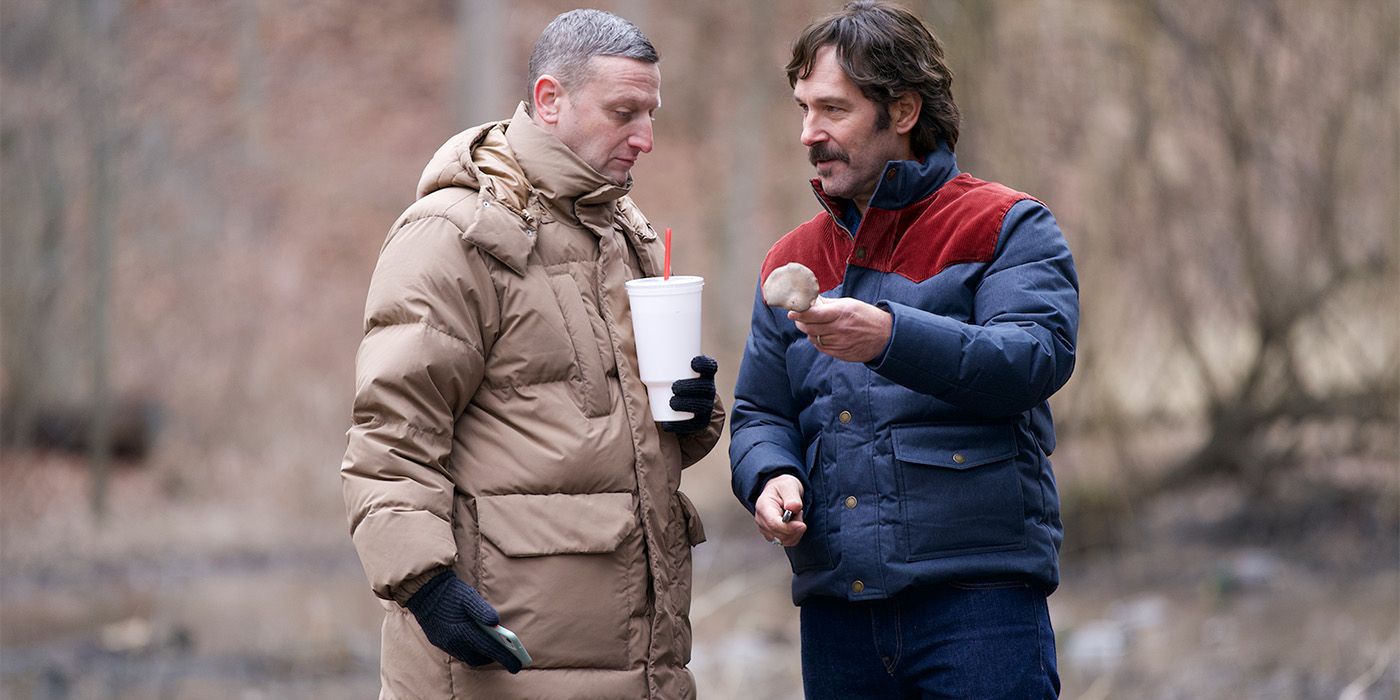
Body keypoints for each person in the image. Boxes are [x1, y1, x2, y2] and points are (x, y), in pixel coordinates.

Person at [341, 9, 723, 699]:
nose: (646, 137)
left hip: (638, 663)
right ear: (550, 100)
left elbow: (604, 443)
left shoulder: (621, 233)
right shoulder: (453, 236)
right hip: (500, 662)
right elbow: (389, 439)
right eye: (624, 112)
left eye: (652, 113)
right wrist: (426, 588)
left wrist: (687, 414)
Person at [730, 2, 1078, 697]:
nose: (809, 134)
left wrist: (890, 337)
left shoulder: (1007, 224)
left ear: (905, 110)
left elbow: (1034, 359)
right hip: (837, 613)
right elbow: (758, 414)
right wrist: (769, 478)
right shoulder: (790, 258)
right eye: (803, 109)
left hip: (980, 605)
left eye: (833, 110)